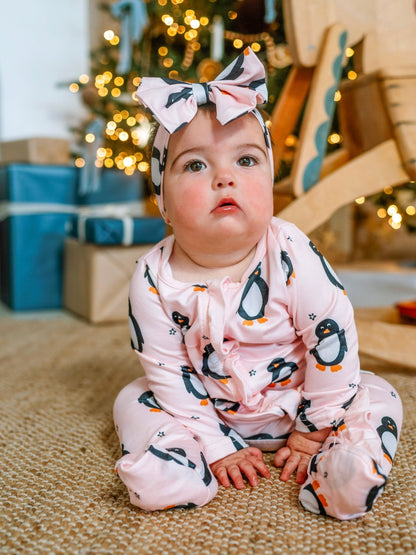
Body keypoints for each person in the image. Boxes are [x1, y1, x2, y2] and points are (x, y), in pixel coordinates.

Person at [113, 48, 403, 519]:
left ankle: (348, 466)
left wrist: (315, 428)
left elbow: (332, 336)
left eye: (246, 161)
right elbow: (170, 372)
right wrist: (215, 442)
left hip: (301, 401)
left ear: (270, 181)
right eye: (194, 165)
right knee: (135, 398)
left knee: (377, 392)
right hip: (210, 411)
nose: (225, 177)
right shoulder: (152, 276)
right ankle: (175, 468)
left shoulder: (289, 250)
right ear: (162, 202)